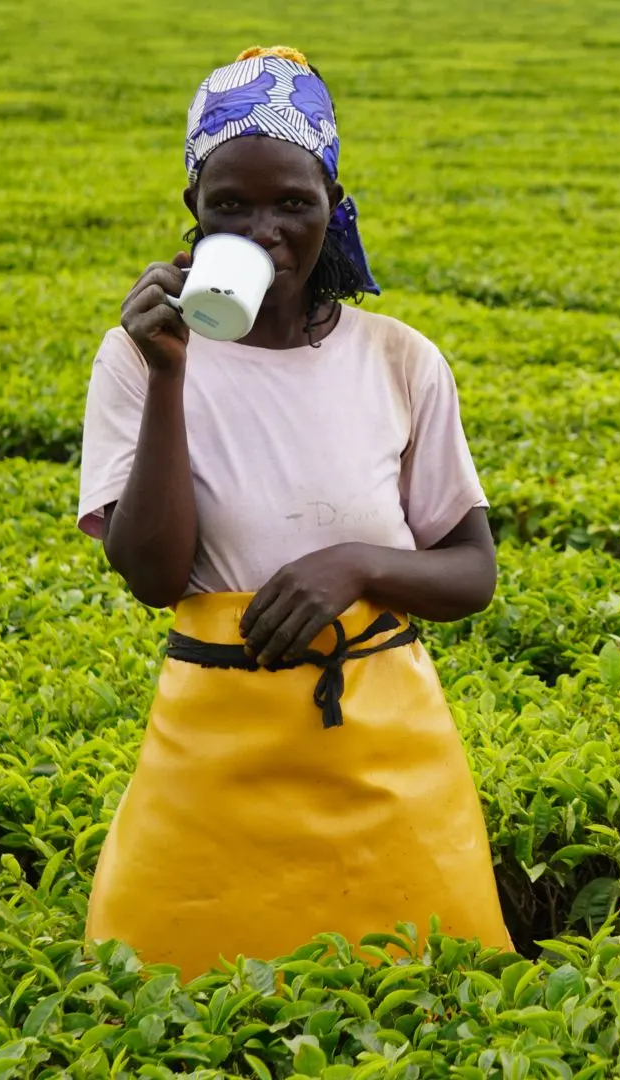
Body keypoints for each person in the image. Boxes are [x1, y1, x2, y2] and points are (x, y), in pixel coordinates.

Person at [74, 45, 512, 979]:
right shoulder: (137, 356)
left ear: (333, 204)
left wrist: (356, 565)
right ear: (194, 207)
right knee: (163, 996)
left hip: (386, 763)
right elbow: (153, 577)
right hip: (211, 763)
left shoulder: (398, 359)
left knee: (428, 993)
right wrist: (169, 375)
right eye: (230, 203)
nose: (264, 229)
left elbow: (471, 573)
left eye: (293, 203)